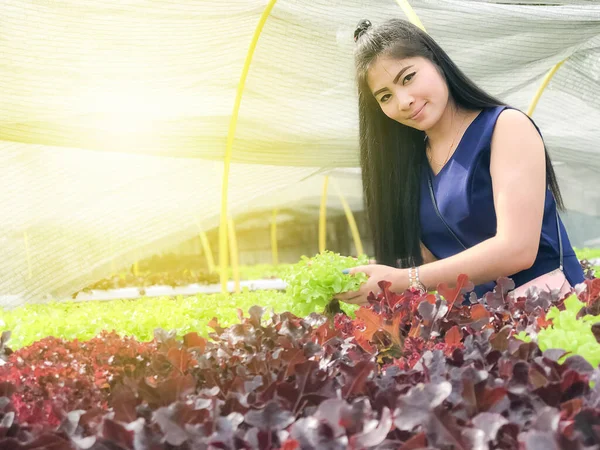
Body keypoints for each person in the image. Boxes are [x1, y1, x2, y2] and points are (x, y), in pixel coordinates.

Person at [335, 18, 584, 306]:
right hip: (482, 333)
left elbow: (517, 249)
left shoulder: (504, 127)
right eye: (386, 96)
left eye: (408, 78)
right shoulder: (409, 170)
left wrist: (404, 280)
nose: (403, 101)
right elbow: (433, 268)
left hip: (549, 311)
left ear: (436, 62)